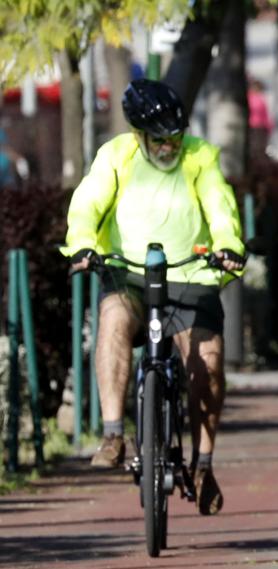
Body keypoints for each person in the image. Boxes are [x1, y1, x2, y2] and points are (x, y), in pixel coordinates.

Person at [64, 79, 246, 515]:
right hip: (128, 275)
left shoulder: (200, 157)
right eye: (160, 140)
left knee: (209, 366)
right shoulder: (116, 156)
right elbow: (87, 204)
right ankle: (112, 434)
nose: (169, 147)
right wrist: (83, 244)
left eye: (175, 138)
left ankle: (203, 465)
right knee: (111, 324)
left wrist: (229, 246)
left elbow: (220, 207)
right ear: (138, 135)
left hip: (191, 276)